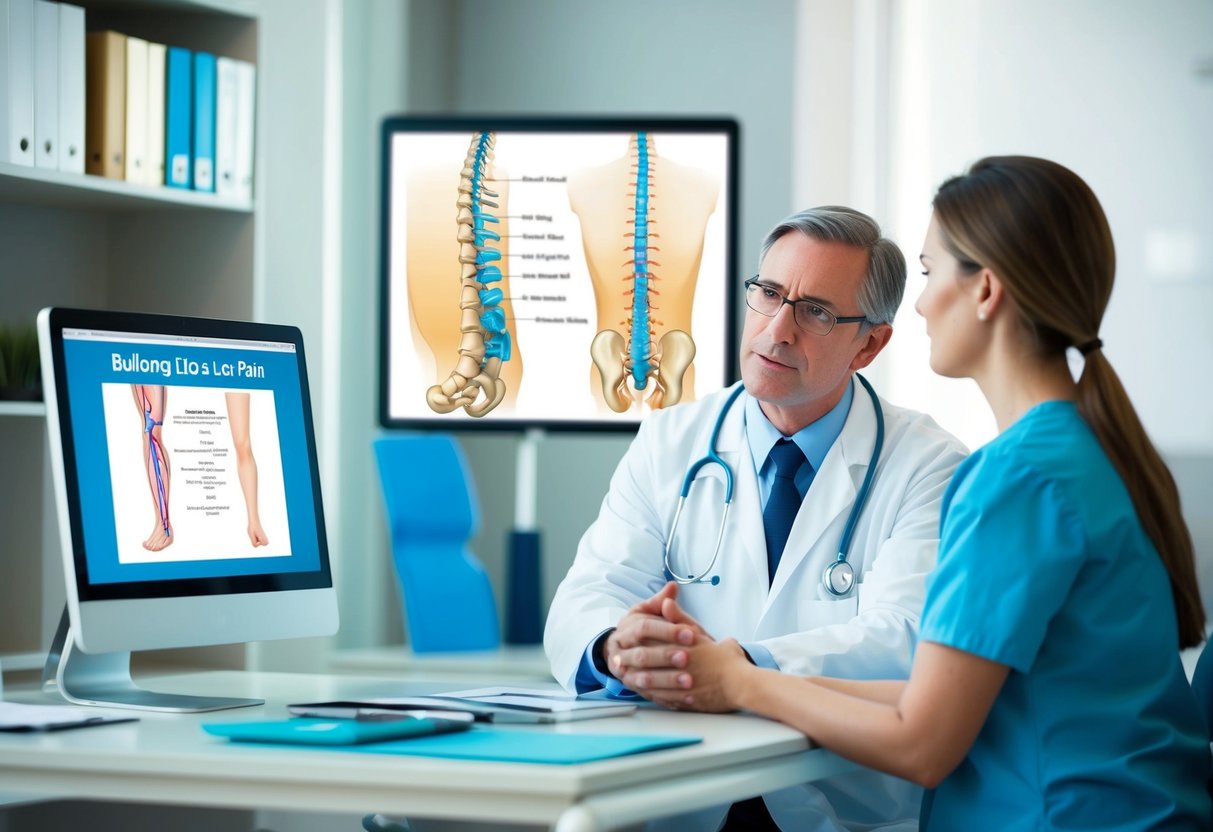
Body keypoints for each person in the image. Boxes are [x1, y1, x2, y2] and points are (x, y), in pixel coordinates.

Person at [671, 157, 1213, 830]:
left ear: (984, 290)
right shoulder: (1081, 450)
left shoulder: (1015, 479)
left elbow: (921, 742)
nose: (920, 304)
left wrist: (746, 682)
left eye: (929, 274)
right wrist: (741, 674)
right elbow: (939, 696)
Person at [545, 206, 968, 831]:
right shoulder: (670, 439)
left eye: (817, 311)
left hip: (836, 803)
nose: (778, 329)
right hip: (677, 795)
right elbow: (590, 591)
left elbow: (903, 641)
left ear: (869, 344)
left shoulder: (929, 464)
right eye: (769, 294)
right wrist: (616, 648)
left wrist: (736, 670)